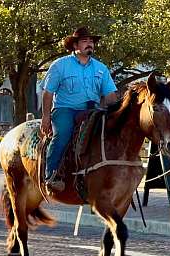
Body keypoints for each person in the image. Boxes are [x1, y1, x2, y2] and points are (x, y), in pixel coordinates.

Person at [41, 27, 118, 192]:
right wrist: (46, 117)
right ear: (75, 45)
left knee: (109, 134)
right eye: (85, 41)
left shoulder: (101, 68)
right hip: (65, 109)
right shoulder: (60, 66)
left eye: (91, 41)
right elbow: (48, 93)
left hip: (93, 111)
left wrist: (117, 113)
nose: (89, 44)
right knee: (63, 133)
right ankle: (52, 175)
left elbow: (110, 95)